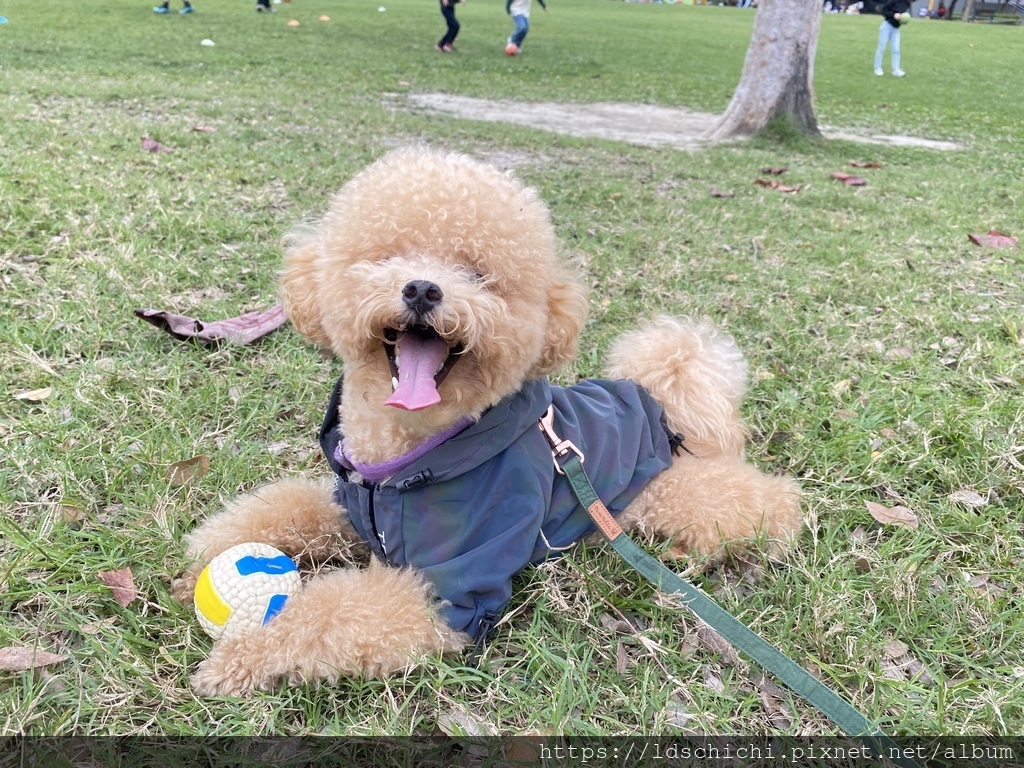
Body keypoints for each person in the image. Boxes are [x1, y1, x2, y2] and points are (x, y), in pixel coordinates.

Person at [874, 0, 910, 77]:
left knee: (896, 49)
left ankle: (896, 69)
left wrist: (904, 20)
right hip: (887, 26)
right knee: (881, 47)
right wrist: (893, 15)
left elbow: (903, 15)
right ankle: (877, 67)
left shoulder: (906, 4)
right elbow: (884, 11)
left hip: (896, 29)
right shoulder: (893, 1)